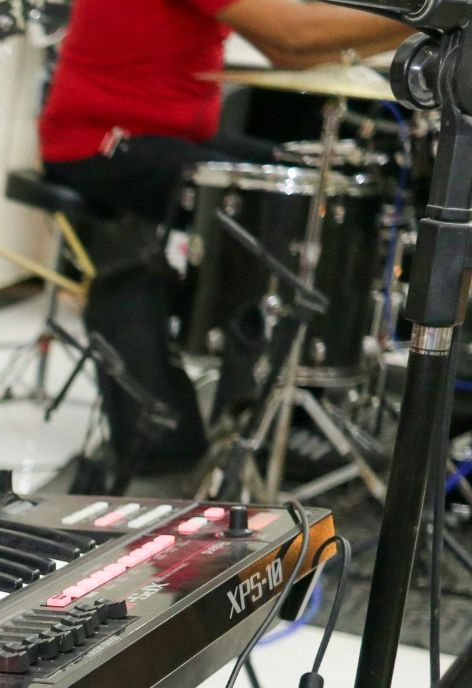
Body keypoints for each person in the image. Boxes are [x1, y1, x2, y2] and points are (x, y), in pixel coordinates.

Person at [39, 0, 410, 470]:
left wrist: (413, 28)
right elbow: (293, 35)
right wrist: (426, 17)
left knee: (316, 180)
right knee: (282, 206)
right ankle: (255, 418)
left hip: (165, 133)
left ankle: (285, 407)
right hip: (101, 140)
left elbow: (287, 54)